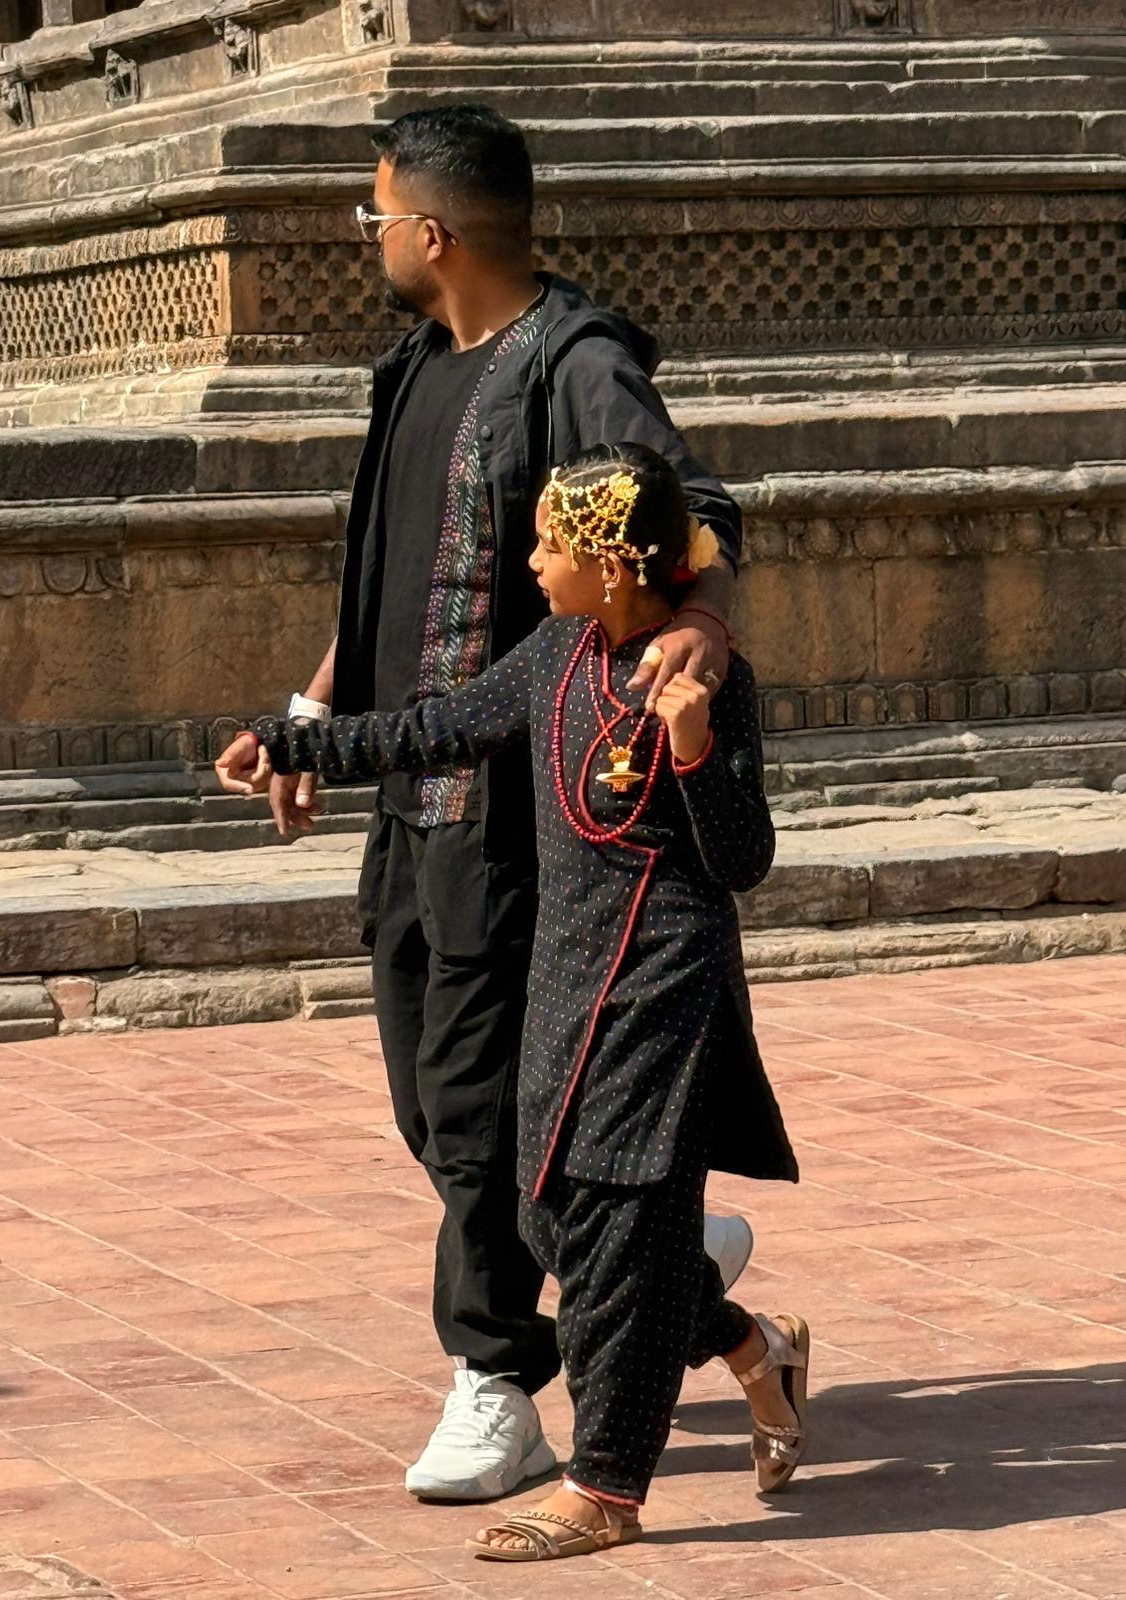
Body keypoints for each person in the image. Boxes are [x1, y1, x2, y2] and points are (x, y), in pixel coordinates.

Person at [259, 102, 755, 1501]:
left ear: (431, 231)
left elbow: (694, 506)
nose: (366, 240)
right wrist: (312, 721)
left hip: (524, 821)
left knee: (477, 1120)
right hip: (409, 798)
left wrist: (701, 622)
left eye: (373, 219)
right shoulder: (415, 371)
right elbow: (394, 584)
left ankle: (495, 1376)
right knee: (430, 1106)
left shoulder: (575, 362)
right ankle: (652, 1253)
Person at [217, 443, 807, 1561]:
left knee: (624, 1226)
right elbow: (428, 729)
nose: (532, 562)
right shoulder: (553, 657)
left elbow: (743, 861)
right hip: (565, 979)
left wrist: (691, 750)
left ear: (613, 565)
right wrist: (290, 739)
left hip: (664, 989)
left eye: (550, 544)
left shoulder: (713, 686)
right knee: (550, 1221)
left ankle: (605, 1488)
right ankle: (750, 1344)